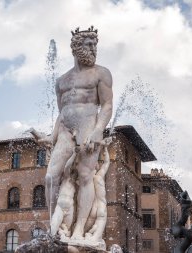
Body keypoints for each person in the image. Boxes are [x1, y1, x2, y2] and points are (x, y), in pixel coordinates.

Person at [44, 26, 113, 240]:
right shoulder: (61, 81)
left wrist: (98, 130)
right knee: (50, 177)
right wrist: (52, 136)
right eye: (89, 45)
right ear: (76, 47)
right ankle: (55, 228)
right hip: (65, 131)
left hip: (89, 128)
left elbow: (108, 105)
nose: (93, 49)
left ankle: (79, 229)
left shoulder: (101, 73)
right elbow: (62, 112)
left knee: (85, 177)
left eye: (95, 45)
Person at [85, 137, 112, 242]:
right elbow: (106, 163)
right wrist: (105, 149)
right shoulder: (99, 176)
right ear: (96, 166)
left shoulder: (86, 180)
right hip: (101, 208)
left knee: (83, 232)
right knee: (96, 238)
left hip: (91, 210)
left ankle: (85, 236)